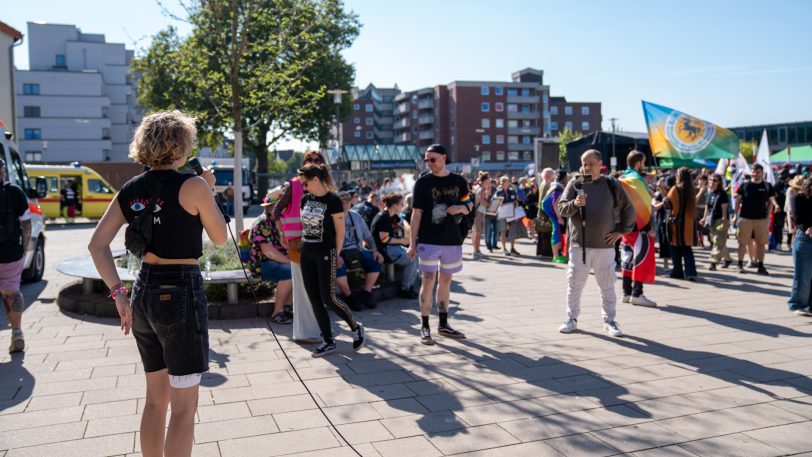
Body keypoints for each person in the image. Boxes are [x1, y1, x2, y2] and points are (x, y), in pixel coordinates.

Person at [87, 111, 228, 457]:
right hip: (180, 290)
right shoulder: (193, 185)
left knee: (155, 400)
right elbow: (221, 238)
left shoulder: (132, 188)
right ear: (182, 146)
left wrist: (119, 294)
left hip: (142, 291)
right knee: (184, 406)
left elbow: (97, 244)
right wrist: (208, 189)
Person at [557, 149, 635, 337]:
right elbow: (561, 208)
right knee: (575, 284)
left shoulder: (611, 184)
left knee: (607, 285)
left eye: (591, 163)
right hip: (579, 245)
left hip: (604, 245)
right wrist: (575, 204)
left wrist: (621, 232)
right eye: (584, 163)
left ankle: (609, 321)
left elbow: (628, 209)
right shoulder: (575, 184)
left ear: (600, 164)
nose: (587, 167)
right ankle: (571, 319)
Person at [298, 163, 365, 357]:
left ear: (316, 180)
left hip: (326, 253)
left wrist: (335, 254)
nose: (304, 187)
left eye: (306, 183)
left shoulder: (333, 201)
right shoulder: (305, 199)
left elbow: (340, 233)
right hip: (307, 252)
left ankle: (355, 327)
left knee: (329, 298)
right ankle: (328, 341)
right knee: (314, 299)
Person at [407, 144, 471, 345]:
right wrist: (411, 243)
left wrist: (460, 207)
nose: (429, 163)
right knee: (428, 280)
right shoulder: (423, 183)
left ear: (444, 158)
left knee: (446, 280)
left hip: (452, 240)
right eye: (427, 160)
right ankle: (424, 326)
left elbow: (469, 205)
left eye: (432, 159)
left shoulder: (459, 181)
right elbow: (416, 214)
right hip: (428, 239)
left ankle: (443, 324)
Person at [272, 151, 324, 343]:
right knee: (303, 288)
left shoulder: (325, 187)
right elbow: (276, 211)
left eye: (317, 161)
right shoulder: (295, 185)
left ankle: (312, 330)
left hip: (319, 245)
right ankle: (305, 333)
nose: (313, 163)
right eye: (309, 160)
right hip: (297, 245)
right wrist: (282, 235)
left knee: (316, 288)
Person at [0, 159, 32, 353]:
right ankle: (17, 333)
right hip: (12, 253)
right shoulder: (15, 193)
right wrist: (25, 249)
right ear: (3, 171)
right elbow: (26, 225)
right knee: (12, 291)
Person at [248, 188, 292, 325]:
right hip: (262, 264)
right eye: (281, 205)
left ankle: (288, 307)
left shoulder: (281, 221)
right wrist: (292, 262)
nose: (285, 208)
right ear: (272, 207)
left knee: (298, 270)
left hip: (278, 261)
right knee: (290, 271)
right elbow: (268, 252)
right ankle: (277, 311)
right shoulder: (262, 223)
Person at [619, 151, 657, 307]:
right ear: (638, 163)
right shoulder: (635, 179)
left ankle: (626, 293)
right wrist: (649, 227)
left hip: (625, 227)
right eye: (644, 162)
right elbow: (643, 206)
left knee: (627, 260)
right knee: (640, 259)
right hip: (639, 229)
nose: (645, 165)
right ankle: (637, 293)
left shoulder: (623, 178)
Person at [336, 191, 384, 309]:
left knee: (376, 261)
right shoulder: (331, 218)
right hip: (339, 252)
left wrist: (374, 250)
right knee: (337, 267)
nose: (345, 204)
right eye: (342, 202)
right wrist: (335, 256)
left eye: (347, 202)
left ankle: (366, 293)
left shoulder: (356, 216)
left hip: (357, 250)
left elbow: (367, 236)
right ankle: (349, 297)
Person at [371, 193, 420, 298]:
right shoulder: (383, 217)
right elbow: (384, 239)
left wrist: (409, 235)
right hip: (383, 249)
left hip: (392, 247)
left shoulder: (392, 215)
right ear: (394, 205)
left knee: (415, 254)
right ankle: (405, 288)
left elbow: (405, 225)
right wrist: (402, 241)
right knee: (411, 260)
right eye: (401, 204)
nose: (403, 206)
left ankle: (408, 286)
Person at [734, 164, 778, 275]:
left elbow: (771, 201)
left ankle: (761, 266)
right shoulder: (744, 185)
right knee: (742, 243)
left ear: (762, 173)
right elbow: (738, 200)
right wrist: (735, 215)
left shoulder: (767, 186)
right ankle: (739, 265)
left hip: (761, 220)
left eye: (758, 172)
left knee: (761, 244)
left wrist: (769, 214)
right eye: (753, 171)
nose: (755, 174)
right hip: (745, 218)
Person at [667, 167, 699, 281]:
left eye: (676, 175)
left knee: (675, 247)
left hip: (677, 223)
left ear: (679, 177)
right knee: (687, 249)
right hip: (688, 224)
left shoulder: (675, 189)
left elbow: (668, 204)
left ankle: (677, 271)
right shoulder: (691, 190)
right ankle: (691, 272)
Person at [788, 176, 812, 316]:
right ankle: (797, 304)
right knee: (803, 274)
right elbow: (799, 220)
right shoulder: (798, 198)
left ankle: (810, 306)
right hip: (804, 238)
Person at [704, 173, 733, 270]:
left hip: (721, 219)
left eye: (714, 180)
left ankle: (713, 262)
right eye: (711, 180)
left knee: (717, 241)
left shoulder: (722, 193)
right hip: (712, 220)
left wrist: (724, 220)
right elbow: (707, 207)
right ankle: (727, 259)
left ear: (719, 182)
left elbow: (724, 207)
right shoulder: (710, 193)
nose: (712, 182)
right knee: (718, 241)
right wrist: (704, 218)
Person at [541, 171, 568, 263]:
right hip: (553, 212)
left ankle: (556, 255)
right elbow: (556, 204)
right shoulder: (559, 188)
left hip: (550, 211)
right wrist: (559, 217)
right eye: (567, 177)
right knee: (557, 232)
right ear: (564, 179)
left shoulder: (554, 186)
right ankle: (556, 256)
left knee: (556, 231)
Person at [496, 176, 521, 256]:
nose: (502, 182)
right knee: (503, 231)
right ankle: (504, 248)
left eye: (503, 181)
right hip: (503, 214)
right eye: (501, 181)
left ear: (508, 182)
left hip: (511, 214)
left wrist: (516, 203)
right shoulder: (498, 192)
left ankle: (512, 248)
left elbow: (516, 201)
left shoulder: (512, 191)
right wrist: (499, 204)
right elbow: (495, 203)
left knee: (512, 231)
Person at [471, 172, 492, 259]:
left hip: (476, 211)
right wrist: (490, 205)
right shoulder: (482, 189)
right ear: (485, 181)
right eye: (488, 181)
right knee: (478, 232)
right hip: (479, 212)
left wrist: (487, 192)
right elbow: (482, 201)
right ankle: (477, 251)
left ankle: (476, 251)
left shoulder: (478, 187)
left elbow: (479, 198)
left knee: (475, 232)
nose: (489, 182)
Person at [536, 168, 556, 257]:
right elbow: (544, 201)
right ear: (549, 176)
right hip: (544, 213)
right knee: (545, 234)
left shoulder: (543, 184)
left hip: (542, 213)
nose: (554, 177)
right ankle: (545, 253)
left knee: (542, 234)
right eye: (553, 175)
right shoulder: (546, 185)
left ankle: (541, 252)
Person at [695, 175, 709, 248]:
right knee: (698, 229)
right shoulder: (695, 189)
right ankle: (700, 242)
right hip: (697, 213)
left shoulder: (708, 190)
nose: (702, 182)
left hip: (706, 213)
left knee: (707, 229)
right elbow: (694, 201)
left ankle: (710, 242)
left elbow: (709, 204)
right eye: (700, 180)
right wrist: (701, 191)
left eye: (704, 180)